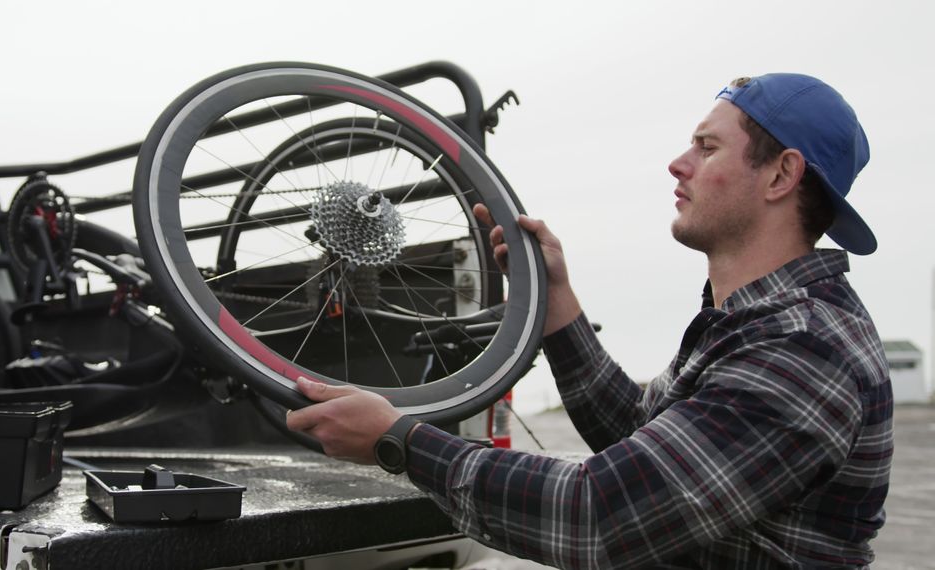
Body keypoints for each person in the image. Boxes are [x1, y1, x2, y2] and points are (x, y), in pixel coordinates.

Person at [285, 73, 893, 568]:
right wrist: (558, 305)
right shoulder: (751, 321)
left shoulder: (800, 347)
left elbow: (600, 515)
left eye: (707, 147)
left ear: (782, 175)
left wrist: (401, 441)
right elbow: (638, 433)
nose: (677, 164)